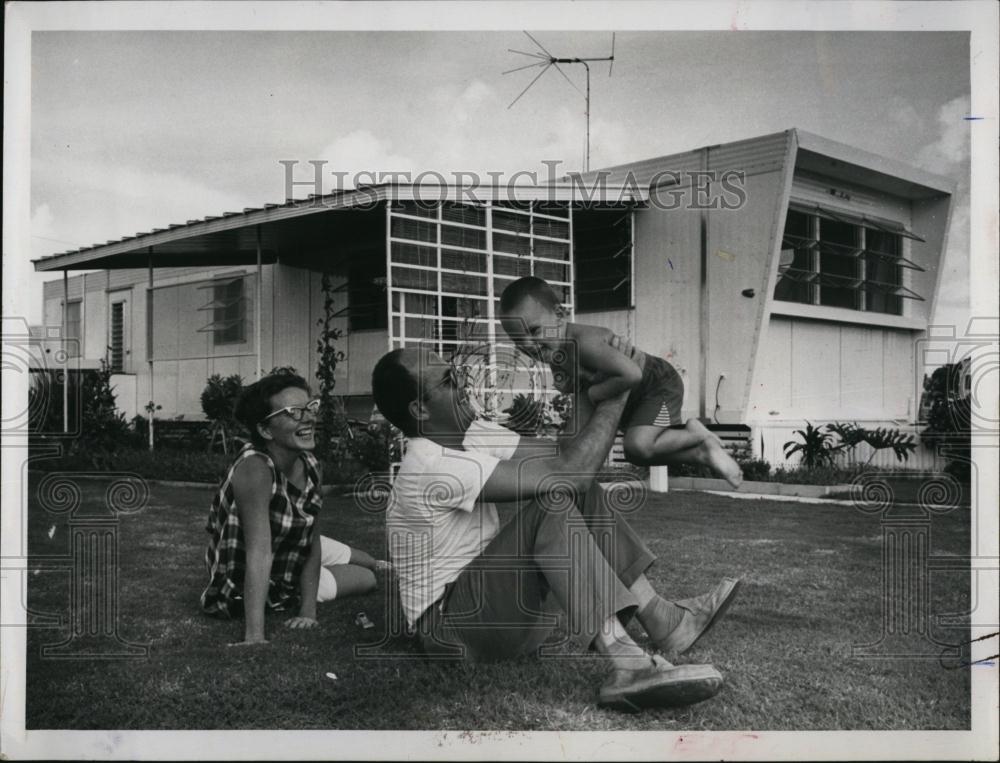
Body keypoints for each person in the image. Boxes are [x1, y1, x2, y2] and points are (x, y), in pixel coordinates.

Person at [372, 346, 741, 712]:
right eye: (449, 380)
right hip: (452, 633)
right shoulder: (429, 464)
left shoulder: (472, 433)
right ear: (420, 409)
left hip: (499, 620)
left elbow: (567, 455)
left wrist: (588, 388)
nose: (463, 384)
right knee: (555, 499)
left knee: (579, 492)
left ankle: (664, 619)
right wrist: (621, 387)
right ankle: (629, 666)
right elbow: (567, 474)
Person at [499, 276, 743, 488]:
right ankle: (701, 451)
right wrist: (566, 382)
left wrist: (594, 394)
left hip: (655, 385)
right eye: (518, 340)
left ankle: (696, 434)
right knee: (580, 448)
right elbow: (569, 380)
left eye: (534, 331)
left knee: (639, 446)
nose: (528, 345)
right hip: (628, 393)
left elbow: (631, 374)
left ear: (560, 315)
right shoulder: (555, 347)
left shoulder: (584, 343)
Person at [199, 371, 389, 644]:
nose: (309, 417)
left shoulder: (310, 463)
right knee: (367, 578)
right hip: (265, 572)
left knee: (368, 560)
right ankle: (374, 569)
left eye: (310, 407)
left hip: (291, 543)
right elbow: (258, 552)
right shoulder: (255, 469)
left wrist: (308, 613)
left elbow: (312, 538)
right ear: (265, 430)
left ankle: (383, 564)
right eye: (293, 412)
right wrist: (255, 636)